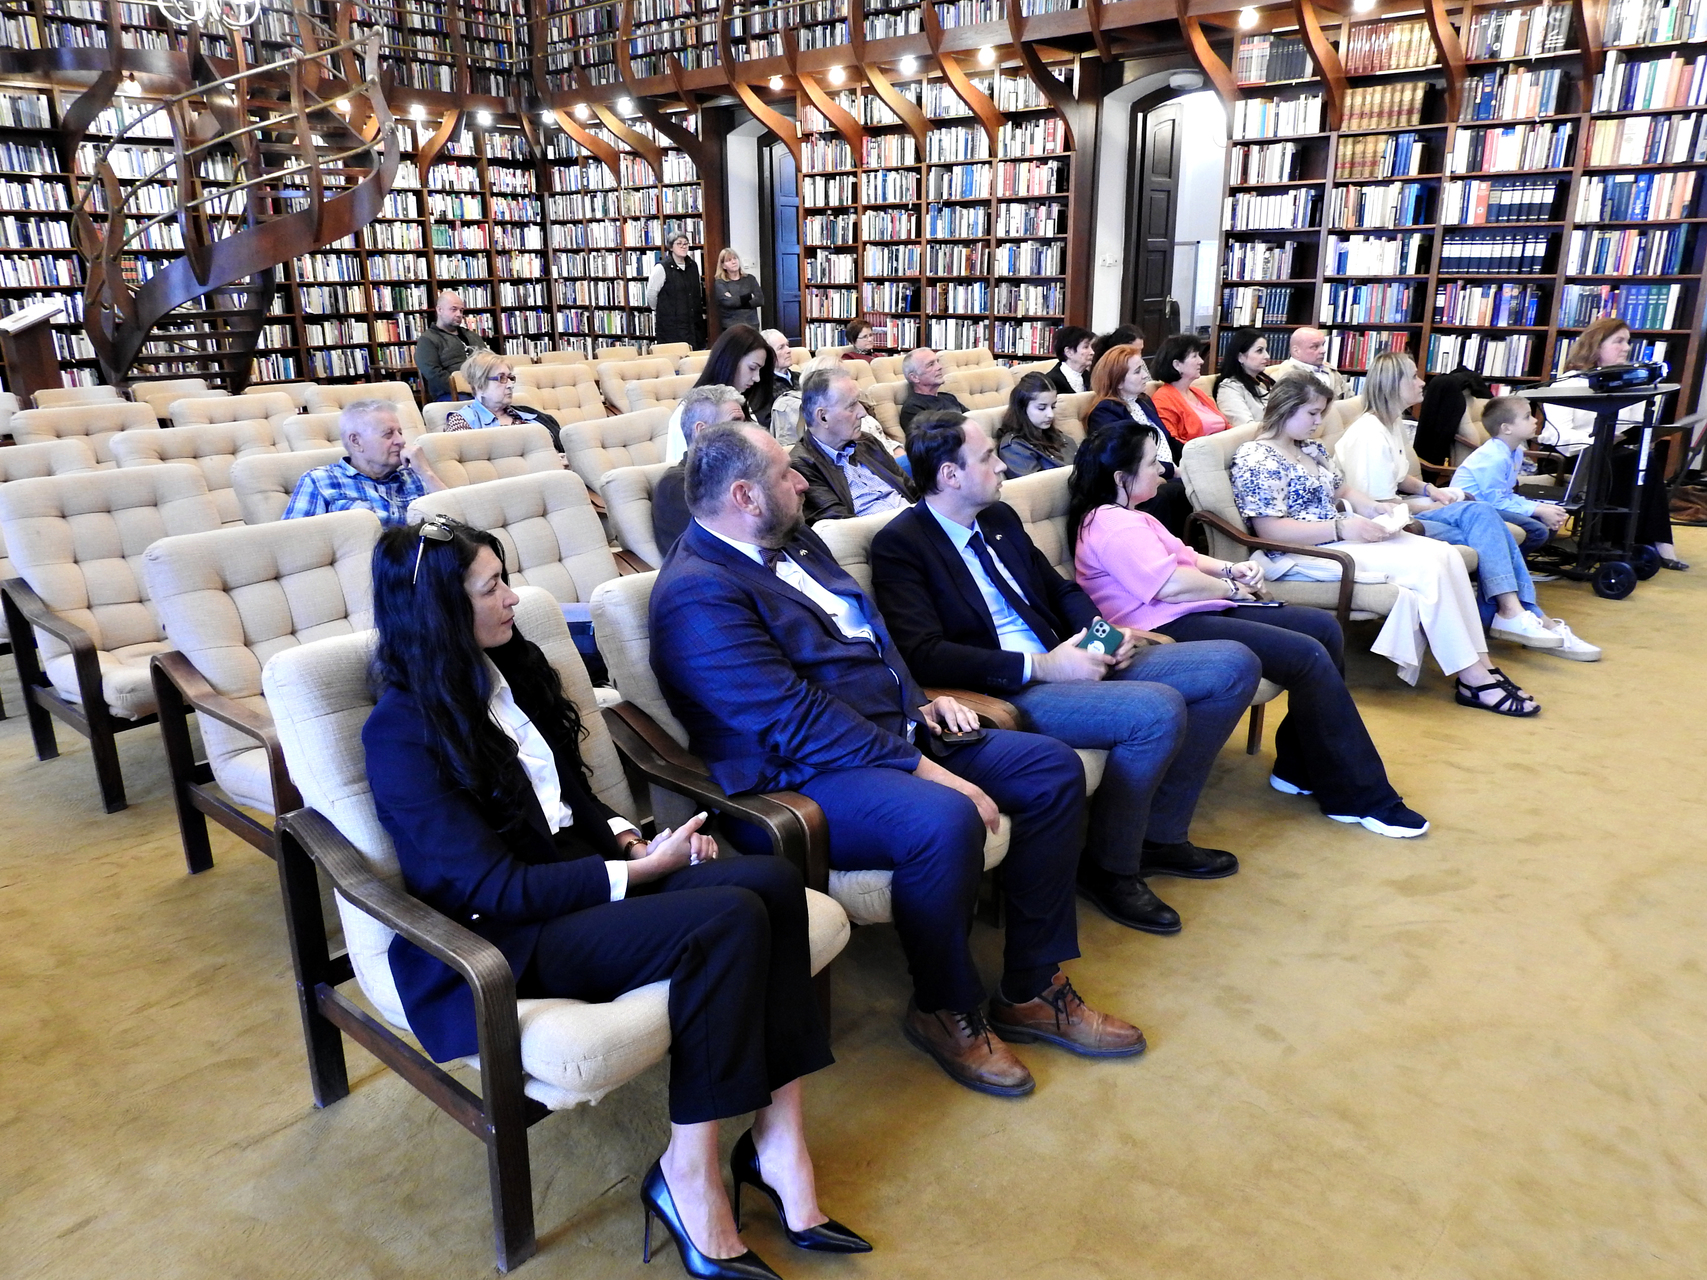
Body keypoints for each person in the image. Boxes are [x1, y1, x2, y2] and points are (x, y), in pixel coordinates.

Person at [364, 516, 866, 1278]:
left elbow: (571, 799)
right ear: (438, 611)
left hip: (580, 882)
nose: (512, 598)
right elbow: (493, 886)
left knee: (770, 882)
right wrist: (643, 873)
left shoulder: (507, 672)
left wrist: (631, 842)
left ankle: (776, 1142)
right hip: (507, 934)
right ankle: (686, 1174)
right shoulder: (398, 733)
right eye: (490, 587)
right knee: (726, 919)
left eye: (504, 580)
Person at [652, 423, 1144, 1098]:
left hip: (890, 734)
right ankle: (942, 1007)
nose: (801, 483)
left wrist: (920, 702)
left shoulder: (792, 538)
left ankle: (1031, 986)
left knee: (1051, 770)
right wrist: (929, 770)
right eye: (786, 474)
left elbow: (870, 637)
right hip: (801, 777)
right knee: (944, 818)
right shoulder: (696, 591)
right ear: (745, 496)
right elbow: (793, 720)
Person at [870, 411, 1262, 933]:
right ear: (950, 475)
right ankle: (1109, 868)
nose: (1001, 466)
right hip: (1012, 687)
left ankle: (1159, 836)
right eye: (987, 457)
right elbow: (925, 653)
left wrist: (1104, 637)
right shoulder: (901, 544)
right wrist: (1043, 666)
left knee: (1234, 663)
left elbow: (1059, 590)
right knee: (1156, 710)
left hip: (1070, 655)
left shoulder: (998, 516)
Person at [1069, 417, 1428, 837]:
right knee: (1306, 653)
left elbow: (1185, 556)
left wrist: (1230, 568)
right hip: (1165, 628)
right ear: (1120, 477)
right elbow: (1170, 585)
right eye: (1151, 463)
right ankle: (1362, 796)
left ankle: (1297, 765)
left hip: (1192, 612)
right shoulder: (1110, 525)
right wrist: (1231, 588)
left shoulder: (1131, 515)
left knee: (1323, 629)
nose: (1161, 471)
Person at [1231, 375, 1544, 715]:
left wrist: (1373, 508)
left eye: (1322, 413)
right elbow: (1269, 529)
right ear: (1285, 409)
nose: (1319, 422)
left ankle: (1481, 663)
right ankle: (1472, 678)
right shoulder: (1257, 457)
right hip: (1302, 552)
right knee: (1427, 567)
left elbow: (1341, 490)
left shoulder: (1308, 447)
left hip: (1339, 537)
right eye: (1312, 413)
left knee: (1446, 555)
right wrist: (1340, 527)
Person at [1334, 351, 1597, 659]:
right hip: (1386, 522)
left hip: (1402, 508)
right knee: (1484, 520)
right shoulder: (1369, 435)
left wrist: (1431, 489)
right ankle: (1523, 616)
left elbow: (1399, 476)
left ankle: (1518, 615)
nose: (1422, 382)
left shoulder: (1390, 425)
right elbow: (1378, 505)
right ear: (1394, 385)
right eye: (1414, 377)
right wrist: (1433, 506)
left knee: (1487, 527)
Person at [1539, 316, 1687, 570]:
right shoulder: (1568, 384)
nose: (1626, 348)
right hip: (1572, 457)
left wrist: (1643, 436)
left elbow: (1635, 428)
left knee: (1641, 460)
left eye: (1627, 342)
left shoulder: (1630, 385)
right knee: (1627, 462)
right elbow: (1558, 437)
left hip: (1616, 454)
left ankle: (1632, 541)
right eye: (1618, 341)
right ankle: (1633, 542)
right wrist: (1598, 439)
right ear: (1596, 345)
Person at [282, 399, 446, 526]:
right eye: (388, 434)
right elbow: (294, 542)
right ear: (356, 441)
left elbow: (455, 521)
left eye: (400, 433)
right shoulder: (320, 481)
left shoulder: (413, 473)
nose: (401, 441)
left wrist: (426, 472)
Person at [1086, 341, 1189, 535]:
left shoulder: (1144, 401)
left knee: (1203, 480)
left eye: (1143, 369)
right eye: (1137, 371)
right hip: (1135, 480)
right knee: (1174, 492)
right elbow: (1127, 458)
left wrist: (1193, 457)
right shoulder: (1105, 411)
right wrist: (1171, 470)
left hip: (1165, 472)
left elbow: (1167, 440)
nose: (1145, 376)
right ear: (1118, 381)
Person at [790, 367, 912, 521]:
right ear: (823, 417)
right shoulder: (802, 466)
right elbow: (843, 527)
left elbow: (911, 489)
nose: (863, 413)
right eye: (851, 405)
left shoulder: (867, 442)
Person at [1452, 396, 1568, 555]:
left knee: (1552, 516)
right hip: (1471, 508)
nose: (1535, 420)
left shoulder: (1516, 452)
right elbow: (1495, 501)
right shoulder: (1494, 457)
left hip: (1489, 504)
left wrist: (1542, 507)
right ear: (1506, 428)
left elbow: (1506, 495)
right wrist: (1537, 510)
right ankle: (1504, 563)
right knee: (1538, 531)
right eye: (1527, 417)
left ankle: (1518, 561)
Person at [654, 385, 748, 559]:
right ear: (702, 431)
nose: (745, 432)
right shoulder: (678, 486)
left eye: (744, 423)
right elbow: (720, 547)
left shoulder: (738, 471)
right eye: (735, 423)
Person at [664, 324, 777, 463]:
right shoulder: (687, 412)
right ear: (731, 361)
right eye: (752, 368)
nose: (757, 378)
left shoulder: (740, 403)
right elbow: (681, 469)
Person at [443, 351, 564, 449]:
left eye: (510, 378)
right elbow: (471, 463)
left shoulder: (530, 414)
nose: (510, 385)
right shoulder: (462, 421)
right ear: (479, 386)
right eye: (501, 378)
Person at [1150, 333, 1231, 450]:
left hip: (1224, 449)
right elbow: (1172, 441)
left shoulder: (1197, 392)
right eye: (1194, 356)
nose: (1201, 361)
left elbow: (1227, 426)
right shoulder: (1163, 399)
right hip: (1201, 454)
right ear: (1177, 365)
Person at [995, 372, 1076, 476]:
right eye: (1041, 408)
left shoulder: (1054, 435)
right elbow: (1036, 485)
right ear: (1022, 408)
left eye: (1053, 407)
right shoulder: (1014, 448)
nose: (1051, 415)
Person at [415, 291, 490, 403]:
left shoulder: (472, 335)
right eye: (453, 309)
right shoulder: (428, 340)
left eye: (461, 310)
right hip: (450, 394)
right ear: (439, 310)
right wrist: (466, 387)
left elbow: (490, 362)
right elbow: (434, 375)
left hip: (482, 389)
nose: (459, 314)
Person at [647, 233, 705, 349]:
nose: (683, 246)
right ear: (671, 247)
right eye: (679, 243)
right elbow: (652, 295)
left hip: (693, 325)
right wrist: (662, 310)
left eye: (686, 243)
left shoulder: (693, 266)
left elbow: (698, 291)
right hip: (671, 327)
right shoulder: (662, 268)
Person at [1213, 327, 1276, 428]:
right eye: (1259, 351)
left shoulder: (1265, 382)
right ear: (1240, 357)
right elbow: (1245, 427)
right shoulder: (1229, 388)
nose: (1267, 356)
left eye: (1266, 350)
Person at [898, 348, 967, 433]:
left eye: (937, 362)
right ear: (915, 377)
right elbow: (929, 438)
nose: (939, 367)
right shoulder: (912, 408)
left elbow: (972, 419)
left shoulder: (949, 398)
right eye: (931, 365)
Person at [1268, 326, 1347, 399]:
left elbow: (1350, 399)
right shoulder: (1283, 376)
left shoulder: (1332, 372)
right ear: (1296, 351)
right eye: (1315, 347)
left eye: (1323, 345)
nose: (1323, 351)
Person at [712, 248, 761, 332]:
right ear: (723, 266)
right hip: (731, 326)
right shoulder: (720, 283)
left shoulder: (750, 279)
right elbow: (728, 302)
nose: (733, 262)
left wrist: (736, 301)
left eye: (735, 258)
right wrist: (749, 296)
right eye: (729, 260)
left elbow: (760, 300)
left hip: (752, 324)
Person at [1046, 324, 1096, 396]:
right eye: (1086, 347)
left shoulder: (1089, 376)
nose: (1092, 352)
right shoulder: (1051, 382)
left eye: (1092, 347)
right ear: (1068, 352)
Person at [762, 329, 797, 393]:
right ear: (767, 355)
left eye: (787, 345)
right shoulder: (764, 386)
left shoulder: (803, 378)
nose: (789, 350)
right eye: (781, 347)